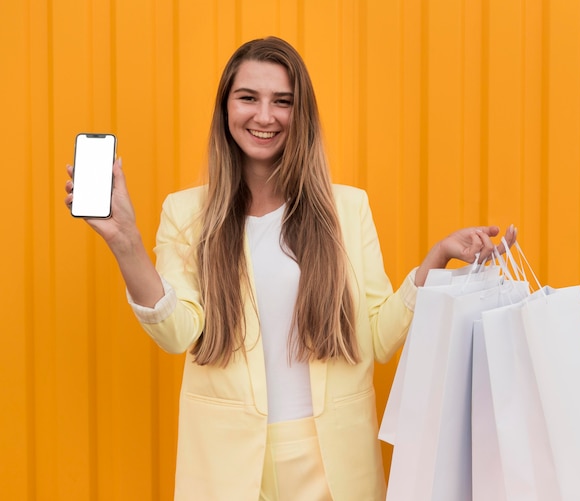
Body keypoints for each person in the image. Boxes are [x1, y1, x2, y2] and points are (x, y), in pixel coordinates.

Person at [65, 36, 516, 501]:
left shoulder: (347, 208)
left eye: (283, 102)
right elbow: (177, 332)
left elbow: (379, 337)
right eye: (248, 98)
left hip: (332, 463)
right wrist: (126, 242)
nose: (265, 116)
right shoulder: (185, 213)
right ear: (225, 109)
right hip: (227, 468)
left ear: (302, 115)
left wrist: (437, 258)